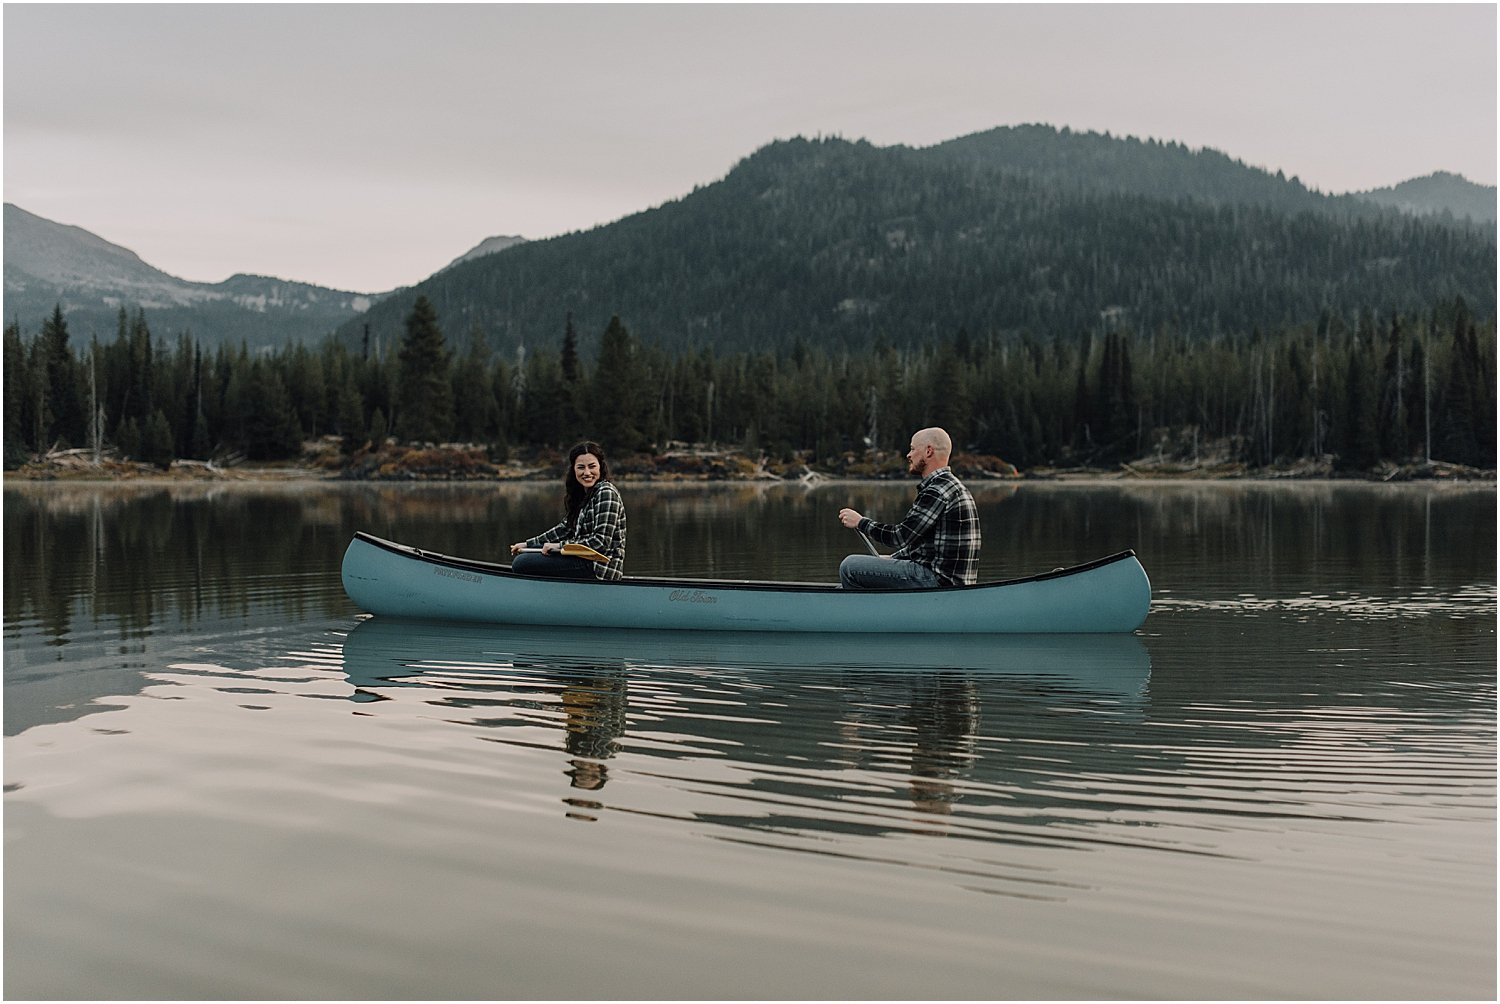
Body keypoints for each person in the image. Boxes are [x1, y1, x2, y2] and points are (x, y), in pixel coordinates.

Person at [837, 427, 980, 589]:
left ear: (928, 451)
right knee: (844, 586)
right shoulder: (950, 486)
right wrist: (893, 558)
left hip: (938, 582)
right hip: (949, 581)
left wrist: (861, 522)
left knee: (850, 567)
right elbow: (923, 545)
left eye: (912, 449)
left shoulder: (937, 490)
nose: (908, 455)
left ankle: (865, 605)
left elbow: (900, 537)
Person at [509, 441, 627, 580]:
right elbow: (564, 529)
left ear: (600, 467)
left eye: (592, 466)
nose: (587, 472)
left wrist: (559, 546)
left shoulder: (606, 492)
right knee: (526, 555)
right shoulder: (584, 495)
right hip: (581, 559)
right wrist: (528, 544)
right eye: (581, 467)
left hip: (600, 567)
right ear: (574, 470)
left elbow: (600, 543)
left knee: (522, 563)